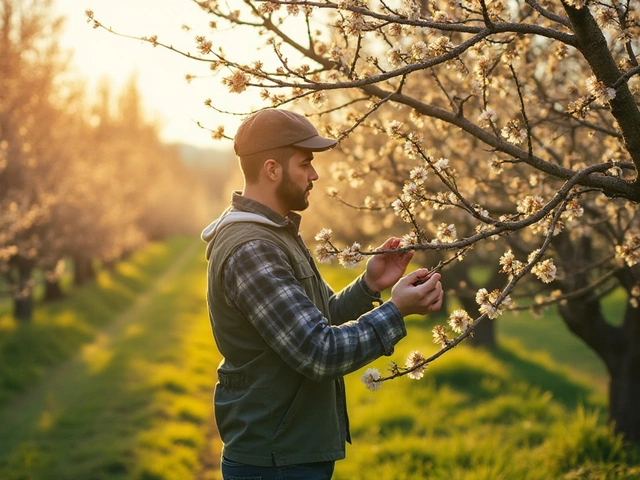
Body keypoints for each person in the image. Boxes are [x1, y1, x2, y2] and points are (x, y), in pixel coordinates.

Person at [201, 108, 443, 480]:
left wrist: (368, 285)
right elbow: (319, 351)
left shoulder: (275, 234)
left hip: (289, 451)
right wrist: (397, 311)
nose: (315, 175)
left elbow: (320, 315)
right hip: (276, 460)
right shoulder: (252, 248)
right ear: (272, 169)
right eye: (305, 163)